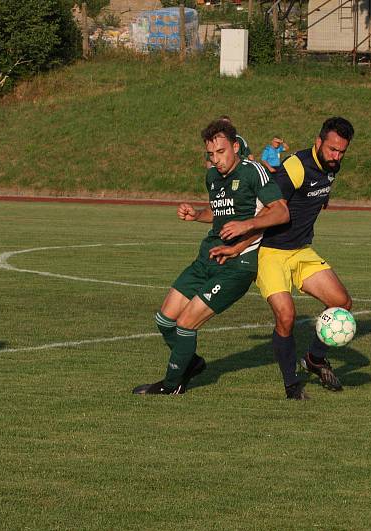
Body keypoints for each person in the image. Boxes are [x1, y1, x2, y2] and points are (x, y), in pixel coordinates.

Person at [133, 119, 289, 395]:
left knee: (185, 323)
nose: (216, 160)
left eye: (221, 152)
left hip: (237, 265)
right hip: (206, 258)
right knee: (164, 319)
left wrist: (246, 226)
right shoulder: (213, 177)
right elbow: (219, 213)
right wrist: (196, 214)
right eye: (211, 154)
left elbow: (280, 212)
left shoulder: (253, 172)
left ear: (236, 146)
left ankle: (171, 385)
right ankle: (190, 363)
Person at [212, 117, 355, 400]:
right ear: (318, 142)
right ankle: (292, 386)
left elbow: (318, 193)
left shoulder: (331, 166)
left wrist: (321, 199)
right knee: (286, 317)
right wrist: (239, 245)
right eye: (332, 150)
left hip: (301, 251)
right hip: (271, 253)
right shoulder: (295, 167)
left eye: (342, 151)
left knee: (342, 303)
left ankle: (314, 359)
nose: (336, 156)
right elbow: (269, 208)